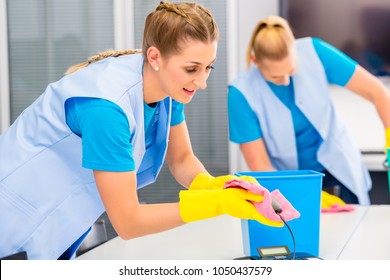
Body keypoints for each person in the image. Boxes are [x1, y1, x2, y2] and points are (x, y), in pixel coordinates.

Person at [0, 2, 283, 260]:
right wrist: (215, 204)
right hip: (15, 225)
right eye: (191, 69)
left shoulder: (166, 86)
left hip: (59, 223)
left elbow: (182, 159)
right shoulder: (106, 110)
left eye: (208, 67)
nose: (202, 81)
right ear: (155, 56)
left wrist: (213, 186)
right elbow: (128, 222)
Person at [228, 16, 390, 206]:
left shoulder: (315, 52)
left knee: (353, 228)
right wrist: (304, 198)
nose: (286, 81)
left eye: (291, 70)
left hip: (340, 169)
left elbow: (378, 92)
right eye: (276, 76)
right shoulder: (240, 95)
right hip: (288, 182)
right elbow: (261, 165)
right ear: (255, 61)